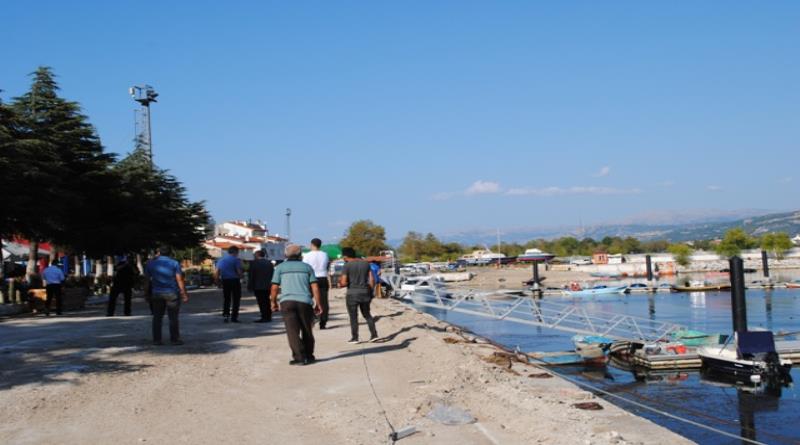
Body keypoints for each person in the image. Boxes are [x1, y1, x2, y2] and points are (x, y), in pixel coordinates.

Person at [270, 244, 322, 365]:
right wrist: (318, 303)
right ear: (300, 255)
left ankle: (299, 357)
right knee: (307, 330)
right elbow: (315, 287)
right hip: (305, 302)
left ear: (285, 255)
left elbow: (274, 287)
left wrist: (273, 302)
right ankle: (309, 356)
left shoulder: (280, 268)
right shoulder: (307, 267)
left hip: (287, 302)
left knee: (292, 331)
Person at [144, 245, 188, 345]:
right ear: (170, 253)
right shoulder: (174, 263)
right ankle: (174, 339)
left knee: (157, 317)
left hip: (157, 293)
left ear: (159, 252)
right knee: (173, 317)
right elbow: (179, 279)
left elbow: (146, 280)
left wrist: (146, 293)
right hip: (172, 293)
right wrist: (184, 293)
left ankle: (157, 340)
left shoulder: (150, 263)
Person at [340, 247, 378, 343]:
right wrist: (371, 291)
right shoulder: (366, 264)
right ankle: (374, 335)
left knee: (353, 316)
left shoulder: (347, 266)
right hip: (365, 292)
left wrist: (340, 284)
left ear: (345, 256)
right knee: (367, 315)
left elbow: (344, 282)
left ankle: (355, 338)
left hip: (352, 294)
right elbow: (372, 280)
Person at [302, 238, 330, 329]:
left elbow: (304, 267)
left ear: (312, 244)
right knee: (324, 301)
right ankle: (323, 322)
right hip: (322, 277)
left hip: (311, 278)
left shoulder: (307, 255)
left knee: (307, 300)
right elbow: (327, 266)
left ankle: (309, 319)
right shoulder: (325, 254)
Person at [214, 246, 243, 323]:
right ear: (235, 252)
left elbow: (217, 272)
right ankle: (234, 317)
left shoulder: (221, 260)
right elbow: (239, 272)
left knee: (227, 299)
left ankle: (226, 316)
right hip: (234, 280)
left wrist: (217, 282)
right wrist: (241, 277)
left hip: (225, 281)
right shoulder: (236, 260)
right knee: (236, 299)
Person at [248, 249, 274, 322]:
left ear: (257, 255)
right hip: (268, 285)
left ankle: (264, 317)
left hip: (258, 286)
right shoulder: (269, 263)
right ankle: (268, 316)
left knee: (261, 301)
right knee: (267, 300)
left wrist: (250, 286)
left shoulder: (254, 263)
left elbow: (251, 276)